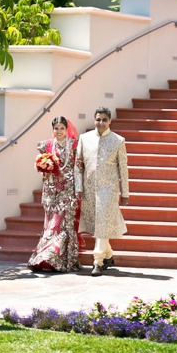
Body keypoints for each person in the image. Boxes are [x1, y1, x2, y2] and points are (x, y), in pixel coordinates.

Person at [75, 107, 129, 277]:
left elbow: (124, 168)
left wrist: (125, 192)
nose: (101, 123)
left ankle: (97, 261)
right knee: (99, 225)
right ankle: (108, 256)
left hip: (109, 189)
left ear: (110, 121)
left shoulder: (118, 141)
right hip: (90, 189)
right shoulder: (85, 138)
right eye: (98, 119)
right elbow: (78, 165)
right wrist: (78, 187)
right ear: (94, 119)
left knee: (102, 225)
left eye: (104, 119)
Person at [27, 116, 82, 272]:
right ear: (53, 130)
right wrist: (44, 166)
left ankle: (65, 260)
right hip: (51, 191)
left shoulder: (74, 145)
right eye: (56, 128)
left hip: (68, 189)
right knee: (51, 225)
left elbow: (77, 168)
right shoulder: (46, 145)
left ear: (67, 129)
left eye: (62, 128)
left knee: (66, 225)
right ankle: (46, 256)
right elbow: (38, 166)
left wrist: (78, 189)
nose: (59, 131)